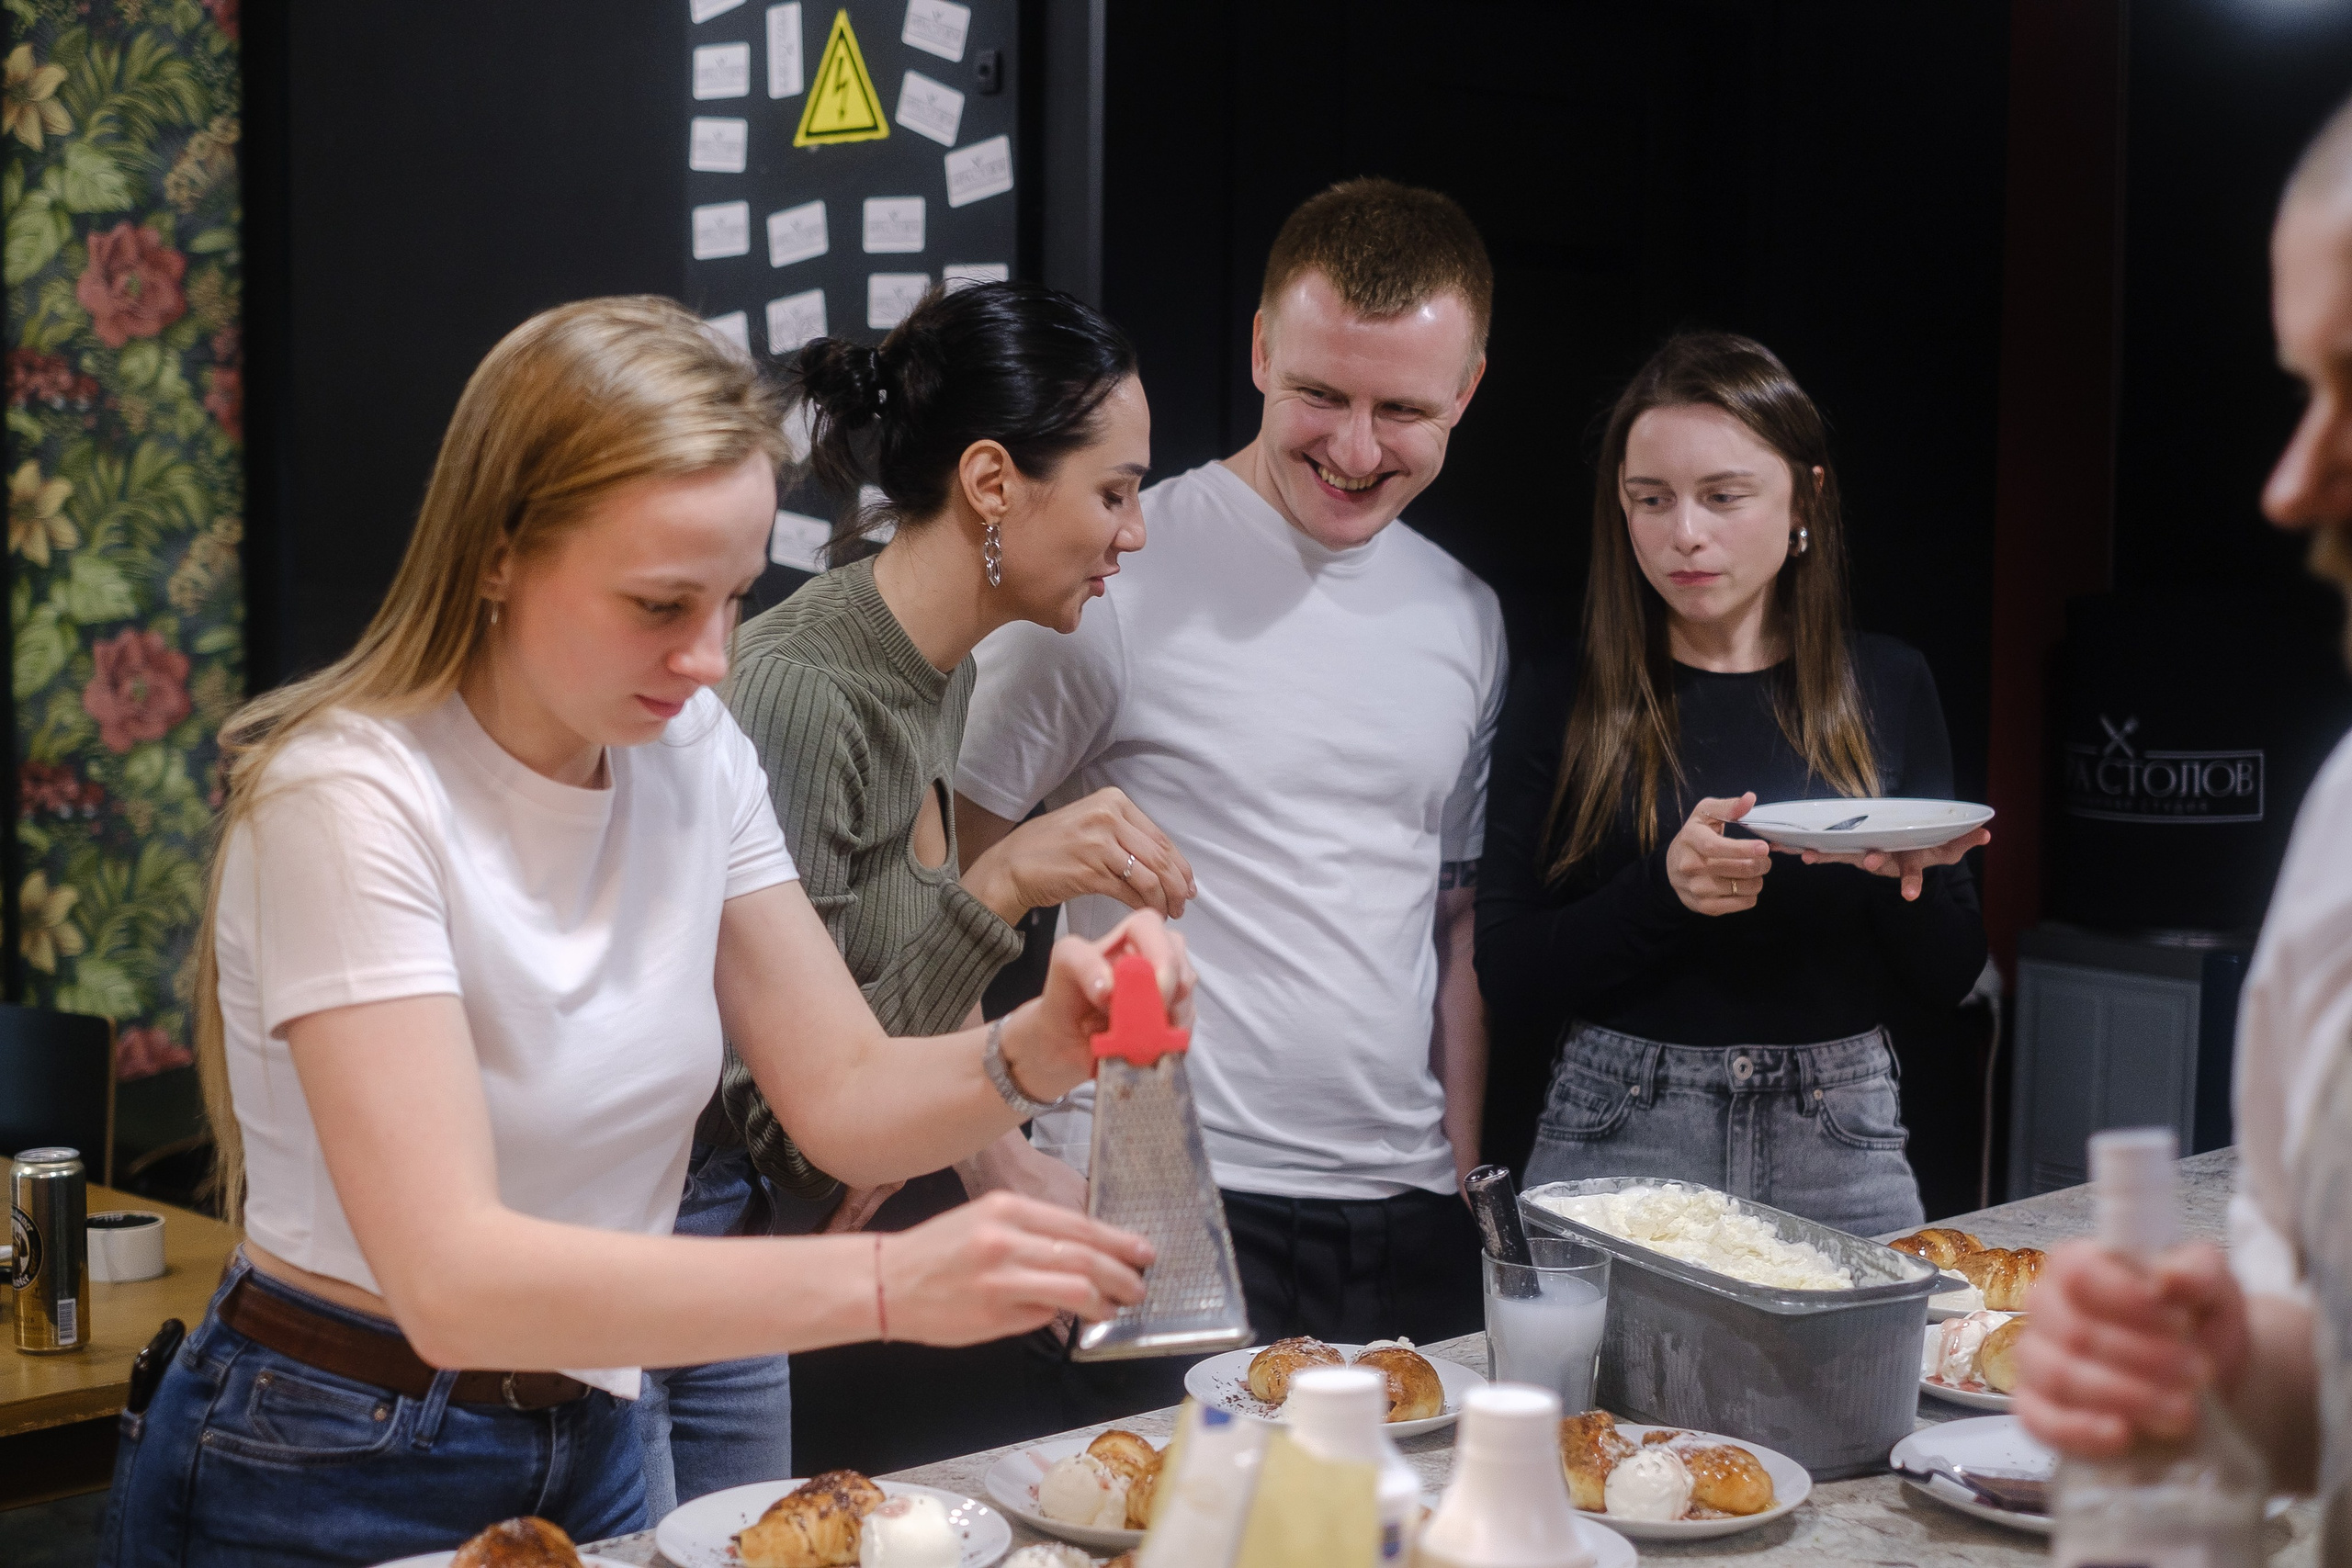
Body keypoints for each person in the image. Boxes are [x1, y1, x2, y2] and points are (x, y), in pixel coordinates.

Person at [100, 296, 1183, 1568]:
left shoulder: (686, 747)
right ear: (498, 550)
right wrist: (890, 1286)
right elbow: (451, 1274)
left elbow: (838, 1091)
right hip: (332, 1451)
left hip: (599, 1427)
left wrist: (1041, 1043)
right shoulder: (346, 800)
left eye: (732, 597)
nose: (714, 658)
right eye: (662, 603)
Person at [956, 178, 1505, 1358]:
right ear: (1260, 351)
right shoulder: (1111, 575)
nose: (1355, 450)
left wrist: (1461, 1177)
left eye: (1403, 408)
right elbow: (927, 883)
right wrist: (993, 1160)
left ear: (1466, 390)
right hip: (1155, 1189)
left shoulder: (1467, 615)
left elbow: (1450, 924)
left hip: (1405, 1208)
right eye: (1319, 393)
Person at [703, 280, 1193, 1473]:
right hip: (744, 1267)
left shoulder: (942, 664)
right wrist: (1009, 880)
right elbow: (796, 1130)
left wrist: (995, 1153)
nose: (1135, 530)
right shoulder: (806, 690)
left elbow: (882, 970)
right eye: (1113, 492)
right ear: (991, 483)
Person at [2016, 96, 2352, 1546]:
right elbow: (2319, 1362)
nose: (2291, 484)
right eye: (2304, 393)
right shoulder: (2343, 815)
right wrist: (2231, 1366)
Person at [1474, 333, 1988, 1238]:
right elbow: (1508, 973)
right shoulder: (1569, 692)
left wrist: (1908, 879)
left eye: (1722, 497)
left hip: (1840, 1129)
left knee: (1872, 1381)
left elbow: (1947, 974)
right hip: (1618, 1128)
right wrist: (1662, 890)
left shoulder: (1888, 684)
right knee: (1592, 1387)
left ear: (1805, 499)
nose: (1684, 533)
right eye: (1650, 500)